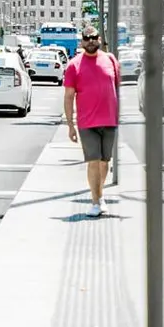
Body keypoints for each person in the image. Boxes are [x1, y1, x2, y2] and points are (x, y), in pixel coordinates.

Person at [61, 26, 121, 216]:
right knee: (93, 161)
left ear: (100, 39)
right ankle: (95, 202)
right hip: (87, 123)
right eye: (86, 38)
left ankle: (100, 195)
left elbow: (116, 88)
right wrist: (70, 124)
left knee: (105, 161)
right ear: (82, 42)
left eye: (94, 37)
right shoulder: (74, 65)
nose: (90, 41)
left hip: (109, 119)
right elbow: (69, 96)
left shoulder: (111, 59)